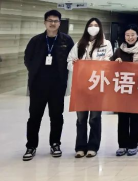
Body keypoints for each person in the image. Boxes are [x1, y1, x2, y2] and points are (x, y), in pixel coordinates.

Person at [23, 10, 75, 161]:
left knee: (57, 116)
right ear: (45, 22)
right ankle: (31, 146)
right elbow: (27, 58)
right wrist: (35, 71)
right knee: (34, 116)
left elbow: (72, 58)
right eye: (50, 20)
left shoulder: (66, 40)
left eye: (56, 21)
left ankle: (55, 144)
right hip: (38, 85)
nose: (53, 23)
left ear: (59, 23)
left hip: (57, 85)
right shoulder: (36, 40)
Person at [67, 18, 113, 158]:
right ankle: (80, 147)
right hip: (81, 86)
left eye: (96, 25)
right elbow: (69, 61)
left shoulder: (106, 44)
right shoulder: (79, 44)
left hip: (97, 85)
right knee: (81, 118)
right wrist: (76, 64)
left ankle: (93, 146)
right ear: (87, 27)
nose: (93, 27)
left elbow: (108, 62)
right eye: (91, 25)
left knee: (94, 118)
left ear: (100, 28)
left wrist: (94, 66)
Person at [111, 24, 138, 157]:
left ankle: (133, 145)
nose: (130, 37)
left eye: (133, 35)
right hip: (123, 89)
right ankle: (122, 145)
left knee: (135, 118)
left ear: (137, 35)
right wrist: (115, 62)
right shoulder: (119, 50)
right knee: (122, 118)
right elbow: (109, 66)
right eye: (127, 35)